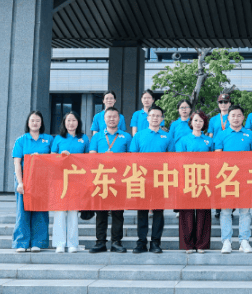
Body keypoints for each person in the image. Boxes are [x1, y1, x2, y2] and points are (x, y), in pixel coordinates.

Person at [214, 104, 252, 253]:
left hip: (245, 178)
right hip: (227, 178)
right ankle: (226, 241)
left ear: (243, 117)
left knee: (245, 211)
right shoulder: (221, 134)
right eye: (233, 115)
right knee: (226, 212)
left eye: (239, 115)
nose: (236, 118)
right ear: (228, 117)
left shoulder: (250, 135)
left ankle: (244, 240)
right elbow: (218, 158)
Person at [129, 106, 173, 253]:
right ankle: (141, 242)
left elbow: (172, 159)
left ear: (162, 119)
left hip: (160, 179)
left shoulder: (167, 137)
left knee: (158, 212)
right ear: (147, 118)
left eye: (158, 116)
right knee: (142, 211)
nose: (155, 118)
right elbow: (133, 157)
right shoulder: (139, 136)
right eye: (152, 115)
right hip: (142, 179)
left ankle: (155, 243)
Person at [88, 106, 131, 254]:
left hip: (119, 180)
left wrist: (117, 159)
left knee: (118, 213)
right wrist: (104, 158)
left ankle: (116, 242)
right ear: (104, 119)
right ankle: (100, 242)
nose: (112, 119)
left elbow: (132, 157)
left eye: (114, 116)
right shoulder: (97, 137)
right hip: (102, 179)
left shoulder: (126, 136)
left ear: (119, 119)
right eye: (109, 117)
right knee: (101, 213)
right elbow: (92, 156)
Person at [12, 110, 53, 252]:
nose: (35, 123)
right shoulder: (21, 140)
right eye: (32, 120)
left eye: (38, 120)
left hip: (42, 181)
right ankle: (21, 243)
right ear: (28, 123)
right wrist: (20, 182)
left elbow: (54, 159)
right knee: (22, 212)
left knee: (40, 212)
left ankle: (38, 242)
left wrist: (42, 158)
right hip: (25, 180)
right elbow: (17, 163)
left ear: (41, 123)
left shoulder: (48, 139)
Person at [176, 111, 214, 253]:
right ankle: (188, 245)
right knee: (187, 213)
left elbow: (213, 161)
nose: (198, 123)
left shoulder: (209, 141)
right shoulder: (183, 140)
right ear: (191, 122)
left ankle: (201, 244)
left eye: (201, 121)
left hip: (204, 180)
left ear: (204, 124)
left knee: (203, 212)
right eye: (196, 120)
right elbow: (180, 161)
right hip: (188, 178)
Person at [50, 111, 88, 253]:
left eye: (74, 120)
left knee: (73, 212)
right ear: (64, 123)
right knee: (60, 211)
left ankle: (73, 243)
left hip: (77, 179)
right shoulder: (58, 138)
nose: (71, 123)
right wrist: (61, 157)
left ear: (78, 122)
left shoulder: (84, 138)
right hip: (60, 179)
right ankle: (59, 243)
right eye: (68, 120)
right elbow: (52, 158)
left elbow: (89, 159)